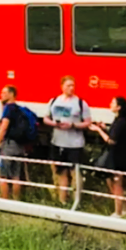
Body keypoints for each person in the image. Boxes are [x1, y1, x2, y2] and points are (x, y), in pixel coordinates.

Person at [44, 76, 92, 206]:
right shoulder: (54, 101)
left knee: (75, 172)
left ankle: (77, 200)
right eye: (68, 85)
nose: (71, 88)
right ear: (62, 87)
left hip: (75, 144)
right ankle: (62, 200)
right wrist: (54, 123)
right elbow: (46, 118)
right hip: (58, 142)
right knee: (61, 172)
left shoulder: (80, 103)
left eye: (73, 85)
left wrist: (73, 125)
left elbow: (88, 122)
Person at [89, 97, 126, 218]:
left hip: (117, 156)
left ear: (119, 107)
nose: (110, 104)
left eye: (113, 103)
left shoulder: (120, 122)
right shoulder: (119, 120)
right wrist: (105, 128)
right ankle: (123, 208)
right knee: (111, 181)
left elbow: (112, 141)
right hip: (117, 155)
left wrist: (99, 130)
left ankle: (119, 212)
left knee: (117, 183)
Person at [0, 86, 27, 201]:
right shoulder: (19, 109)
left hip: (8, 145)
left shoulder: (8, 109)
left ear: (11, 94)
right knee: (16, 176)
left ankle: (4, 200)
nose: (1, 95)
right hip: (19, 146)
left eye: (4, 92)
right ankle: (16, 200)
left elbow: (4, 128)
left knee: (3, 176)